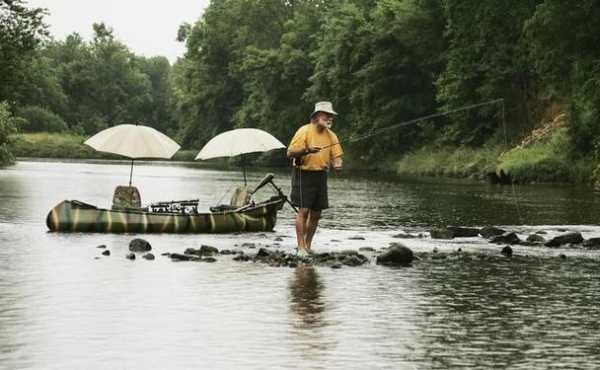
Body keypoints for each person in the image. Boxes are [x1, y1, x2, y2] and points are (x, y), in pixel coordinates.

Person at [287, 101, 343, 256]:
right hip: (302, 173)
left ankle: (308, 245)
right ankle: (300, 247)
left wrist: (338, 165)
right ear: (317, 116)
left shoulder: (332, 136)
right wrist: (307, 150)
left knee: (316, 213)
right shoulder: (304, 131)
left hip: (321, 175)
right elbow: (290, 153)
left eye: (331, 115)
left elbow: (337, 156)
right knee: (303, 210)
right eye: (327, 115)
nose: (330, 118)